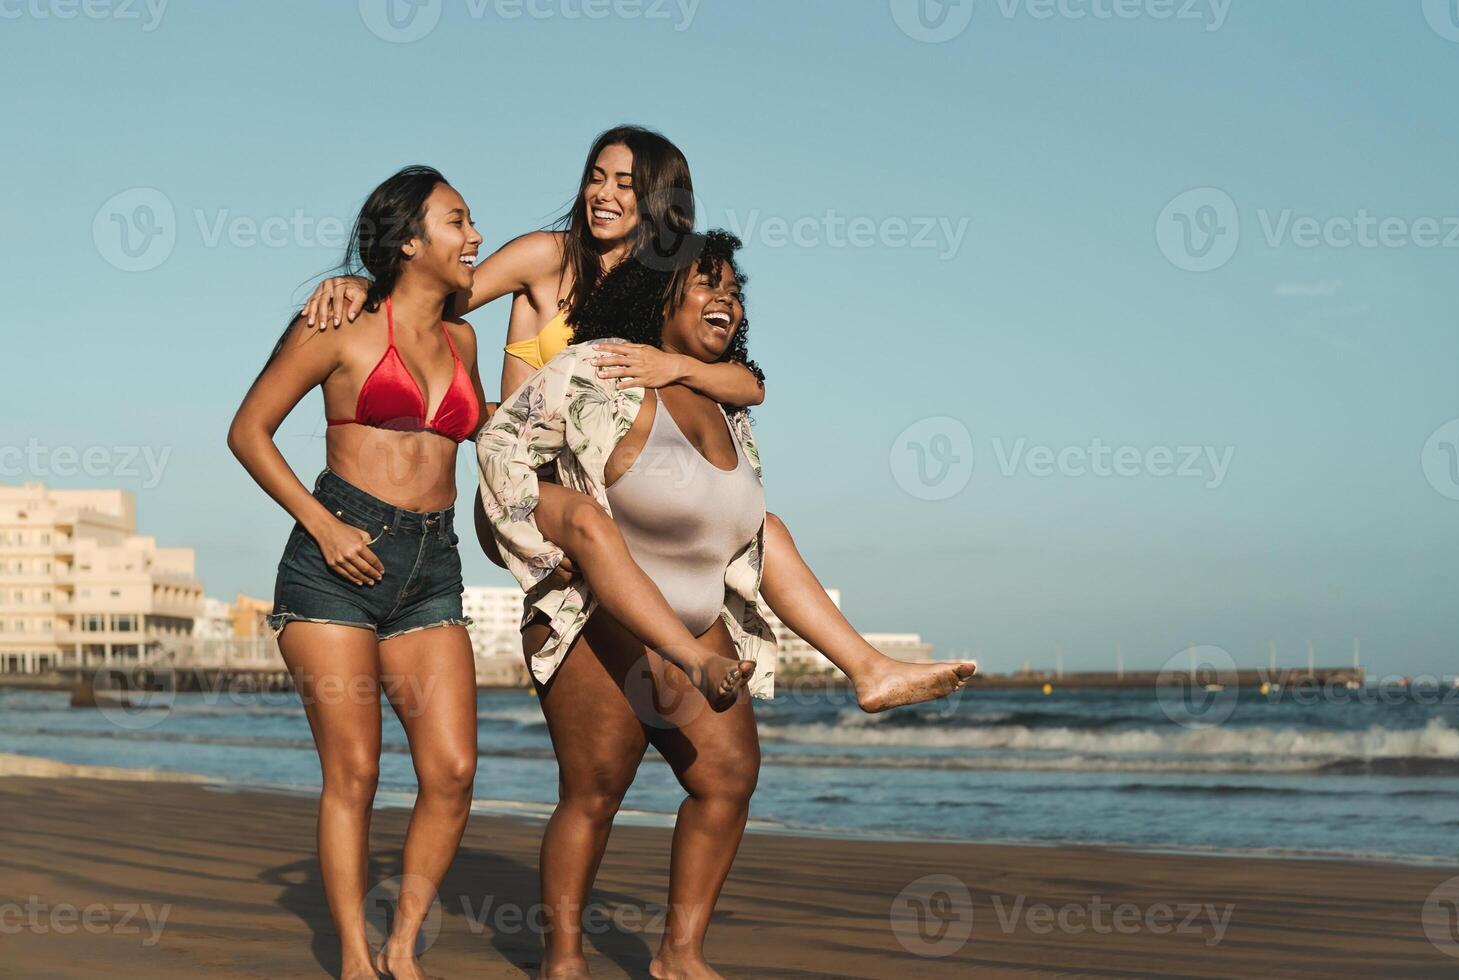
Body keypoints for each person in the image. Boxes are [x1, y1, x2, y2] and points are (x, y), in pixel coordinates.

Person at [303, 126, 974, 711]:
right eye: (596, 177)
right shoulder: (545, 257)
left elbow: (747, 383)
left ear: (659, 199)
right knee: (593, 525)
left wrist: (673, 367)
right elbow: (435, 294)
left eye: (625, 183)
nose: (603, 193)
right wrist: (363, 285)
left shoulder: (666, 287)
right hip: (530, 488)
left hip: (617, 492)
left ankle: (869, 669)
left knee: (765, 528)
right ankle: (693, 656)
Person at [479, 231, 973, 980]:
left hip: (696, 618)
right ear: (659, 298)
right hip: (598, 616)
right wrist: (536, 535)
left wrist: (692, 371)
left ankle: (680, 956)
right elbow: (499, 442)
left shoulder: (725, 399)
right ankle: (565, 962)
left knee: (727, 779)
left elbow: (731, 521)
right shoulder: (599, 368)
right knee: (595, 791)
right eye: (705, 284)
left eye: (734, 291)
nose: (726, 299)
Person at [228, 166, 486, 980]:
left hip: (431, 566)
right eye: (458, 220)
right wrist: (323, 522)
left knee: (451, 770)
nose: (474, 235)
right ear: (410, 240)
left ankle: (403, 948)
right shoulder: (338, 324)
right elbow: (249, 430)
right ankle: (351, 955)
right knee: (357, 771)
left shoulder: (466, 337)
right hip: (333, 565)